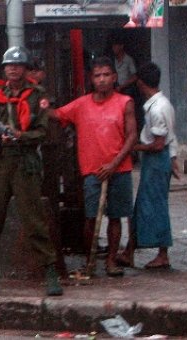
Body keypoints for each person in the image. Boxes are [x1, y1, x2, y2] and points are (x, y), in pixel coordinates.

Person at [0, 46, 63, 296]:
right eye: (9, 65)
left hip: (25, 160)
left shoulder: (36, 95)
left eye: (18, 65)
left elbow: (42, 131)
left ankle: (51, 273)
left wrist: (20, 136)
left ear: (26, 69)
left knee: (33, 218)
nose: (13, 69)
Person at [49, 56, 137, 277]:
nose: (102, 79)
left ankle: (110, 261)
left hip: (120, 169)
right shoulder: (81, 104)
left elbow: (132, 136)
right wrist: (36, 100)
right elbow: (56, 115)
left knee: (115, 217)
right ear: (92, 79)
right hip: (91, 171)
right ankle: (90, 260)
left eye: (106, 75)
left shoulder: (125, 102)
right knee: (90, 217)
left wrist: (114, 163)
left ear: (114, 77)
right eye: (98, 76)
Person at [116, 62, 178, 269]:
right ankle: (129, 251)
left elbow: (159, 145)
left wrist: (135, 147)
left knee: (155, 206)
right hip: (158, 160)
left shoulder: (157, 109)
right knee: (142, 205)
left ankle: (162, 254)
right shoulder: (161, 103)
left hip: (156, 161)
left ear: (141, 83)